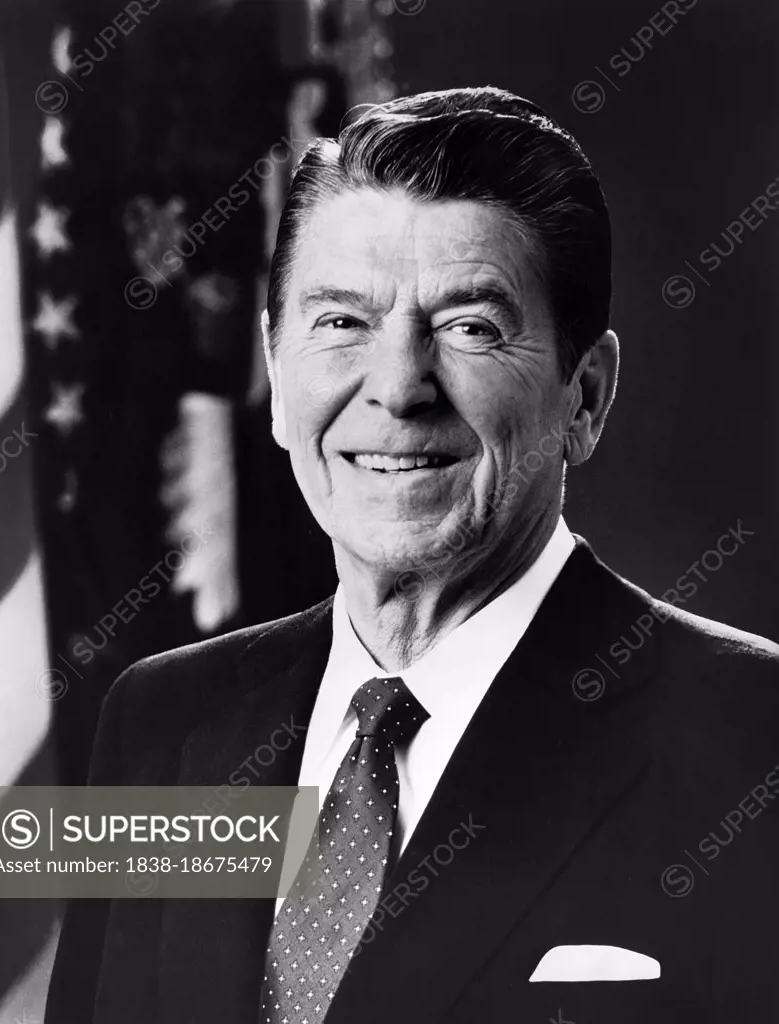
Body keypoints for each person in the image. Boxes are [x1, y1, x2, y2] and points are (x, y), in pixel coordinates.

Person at [45, 87, 779, 1024]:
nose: (397, 388)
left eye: (469, 327)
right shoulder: (160, 723)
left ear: (583, 398)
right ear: (276, 379)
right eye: (342, 322)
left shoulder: (753, 739)